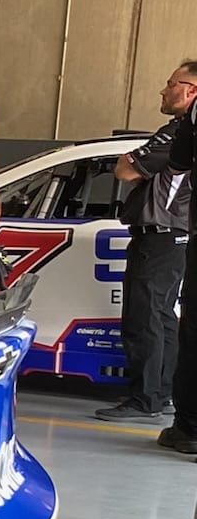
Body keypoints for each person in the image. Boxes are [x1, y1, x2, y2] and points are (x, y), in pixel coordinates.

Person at [96, 61, 197, 423]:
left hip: (161, 236)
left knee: (145, 316)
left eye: (171, 84)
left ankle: (145, 399)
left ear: (191, 91)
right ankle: (160, 393)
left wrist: (131, 162)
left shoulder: (178, 132)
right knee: (162, 316)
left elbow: (126, 170)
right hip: (174, 237)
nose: (163, 90)